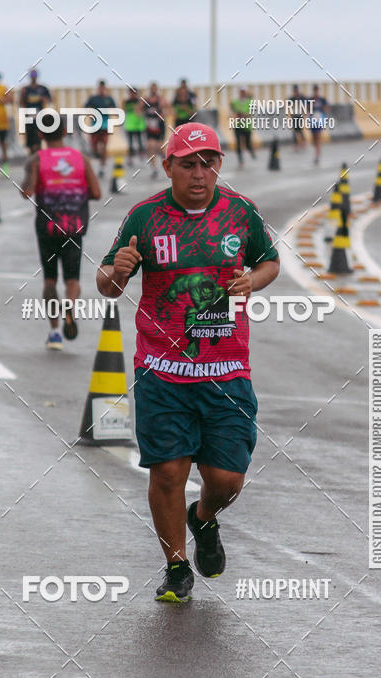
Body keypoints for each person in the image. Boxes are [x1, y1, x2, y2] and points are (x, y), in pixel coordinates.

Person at [96, 123, 280, 603]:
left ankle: (204, 518)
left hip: (226, 371)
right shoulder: (146, 216)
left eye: (209, 163)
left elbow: (269, 262)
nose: (200, 174)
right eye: (188, 164)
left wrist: (253, 282)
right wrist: (115, 273)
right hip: (161, 370)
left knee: (226, 479)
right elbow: (107, 282)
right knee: (169, 473)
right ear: (168, 166)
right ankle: (176, 567)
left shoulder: (240, 213)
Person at [21, 113, 101, 350]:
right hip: (73, 227)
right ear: (65, 131)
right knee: (72, 279)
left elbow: (27, 192)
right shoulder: (81, 159)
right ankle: (70, 307)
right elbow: (97, 193)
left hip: (46, 228)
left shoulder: (36, 160)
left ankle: (55, 331)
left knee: (49, 280)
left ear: (41, 134)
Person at [85, 80, 117, 178]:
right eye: (100, 88)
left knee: (104, 146)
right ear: (98, 88)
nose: (102, 90)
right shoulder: (93, 98)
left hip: (105, 126)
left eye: (103, 88)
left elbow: (115, 109)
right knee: (94, 148)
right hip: (94, 125)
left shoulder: (109, 99)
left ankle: (102, 167)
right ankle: (98, 158)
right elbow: (86, 107)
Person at [19, 69, 52, 153]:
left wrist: (43, 99)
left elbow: (50, 100)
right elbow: (20, 103)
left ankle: (39, 158)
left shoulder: (43, 88)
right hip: (29, 118)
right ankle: (32, 158)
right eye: (32, 75)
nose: (33, 77)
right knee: (30, 143)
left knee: (39, 140)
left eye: (35, 75)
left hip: (40, 118)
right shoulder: (25, 89)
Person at [143, 82, 167, 179]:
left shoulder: (161, 99)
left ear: (157, 89)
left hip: (159, 126)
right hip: (149, 126)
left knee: (159, 148)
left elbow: (169, 109)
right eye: (152, 88)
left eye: (155, 88)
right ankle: (154, 169)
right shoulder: (146, 100)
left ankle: (166, 159)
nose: (153, 90)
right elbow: (138, 109)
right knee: (150, 147)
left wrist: (163, 114)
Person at [230, 87, 256, 167]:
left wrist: (243, 115)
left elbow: (251, 112)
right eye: (241, 92)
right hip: (238, 125)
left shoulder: (249, 102)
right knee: (238, 143)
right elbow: (232, 108)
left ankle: (251, 150)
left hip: (247, 126)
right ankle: (240, 160)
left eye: (243, 92)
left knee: (247, 144)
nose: (242, 93)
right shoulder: (235, 102)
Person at [123, 87, 147, 164]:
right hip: (130, 125)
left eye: (134, 92)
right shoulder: (126, 102)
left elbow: (143, 110)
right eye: (131, 92)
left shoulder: (140, 101)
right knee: (130, 143)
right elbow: (124, 110)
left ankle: (142, 156)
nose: (132, 94)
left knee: (140, 142)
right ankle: (130, 158)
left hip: (139, 125)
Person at [308, 84, 329, 165]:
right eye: (315, 90)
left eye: (317, 90)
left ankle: (317, 154)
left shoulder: (322, 99)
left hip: (319, 118)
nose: (316, 92)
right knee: (313, 138)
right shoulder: (310, 99)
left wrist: (323, 109)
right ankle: (317, 150)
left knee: (318, 136)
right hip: (312, 118)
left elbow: (327, 108)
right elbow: (306, 108)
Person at [288, 84, 306, 151]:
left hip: (299, 115)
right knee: (295, 131)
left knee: (300, 130)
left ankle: (303, 142)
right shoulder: (292, 99)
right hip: (294, 116)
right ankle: (296, 144)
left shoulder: (301, 98)